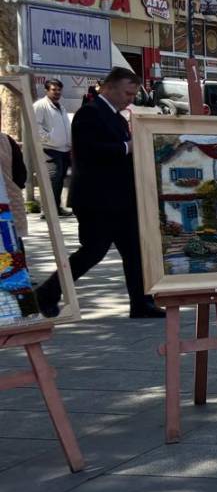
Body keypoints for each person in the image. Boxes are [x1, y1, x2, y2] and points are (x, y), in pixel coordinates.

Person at [35, 68, 161, 320]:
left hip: (120, 199)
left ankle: (141, 303)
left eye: (133, 94)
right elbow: (91, 151)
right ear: (109, 88)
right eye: (127, 93)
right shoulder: (89, 113)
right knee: (93, 251)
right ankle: (46, 293)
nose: (130, 99)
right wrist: (128, 146)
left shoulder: (116, 117)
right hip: (96, 199)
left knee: (135, 251)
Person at [32, 79, 72, 216]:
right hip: (49, 150)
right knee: (51, 179)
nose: (57, 93)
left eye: (59, 90)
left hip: (64, 150)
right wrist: (49, 139)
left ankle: (56, 208)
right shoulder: (40, 106)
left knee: (59, 180)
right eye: (54, 90)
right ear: (46, 90)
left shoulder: (61, 107)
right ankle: (47, 210)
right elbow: (35, 126)